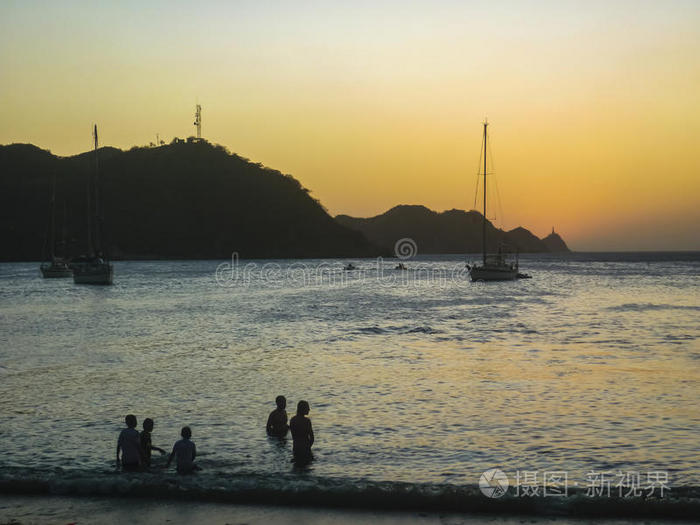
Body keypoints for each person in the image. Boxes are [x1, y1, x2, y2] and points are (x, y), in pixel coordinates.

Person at [289, 400, 314, 465]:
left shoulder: (292, 420)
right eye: (307, 407)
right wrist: (308, 447)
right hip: (305, 448)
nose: (309, 409)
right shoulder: (307, 421)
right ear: (303, 409)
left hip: (296, 448)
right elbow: (312, 438)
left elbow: (293, 436)